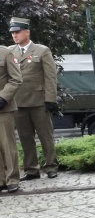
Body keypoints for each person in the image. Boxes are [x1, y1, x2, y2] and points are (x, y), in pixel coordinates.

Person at [8, 16, 58, 180]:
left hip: (39, 101)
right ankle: (31, 169)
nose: (15, 35)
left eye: (18, 32)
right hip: (18, 102)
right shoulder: (10, 52)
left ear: (27, 32)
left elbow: (50, 77)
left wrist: (51, 99)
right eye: (13, 33)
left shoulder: (42, 51)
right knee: (25, 138)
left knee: (45, 136)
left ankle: (50, 166)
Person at [0, 21, 22, 193]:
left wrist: (3, 97)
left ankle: (12, 178)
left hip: (3, 107)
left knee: (7, 145)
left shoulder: (6, 53)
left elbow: (16, 79)